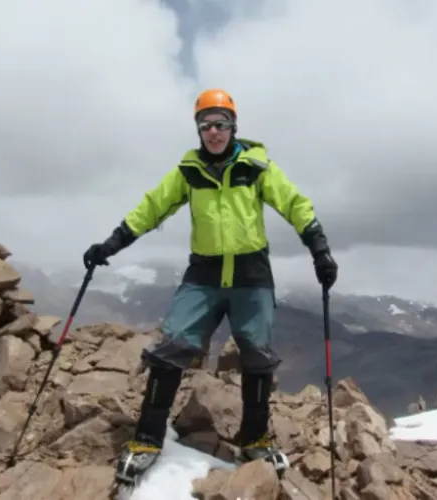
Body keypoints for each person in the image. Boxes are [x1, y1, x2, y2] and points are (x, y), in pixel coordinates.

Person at [83, 88, 339, 485]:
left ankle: (255, 437)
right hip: (203, 275)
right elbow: (152, 208)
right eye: (206, 125)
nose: (214, 132)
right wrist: (111, 244)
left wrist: (318, 248)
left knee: (257, 356)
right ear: (198, 130)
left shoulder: (256, 167)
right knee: (171, 348)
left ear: (233, 126)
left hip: (251, 276)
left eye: (221, 124)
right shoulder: (188, 172)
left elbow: (293, 203)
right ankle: (148, 439)